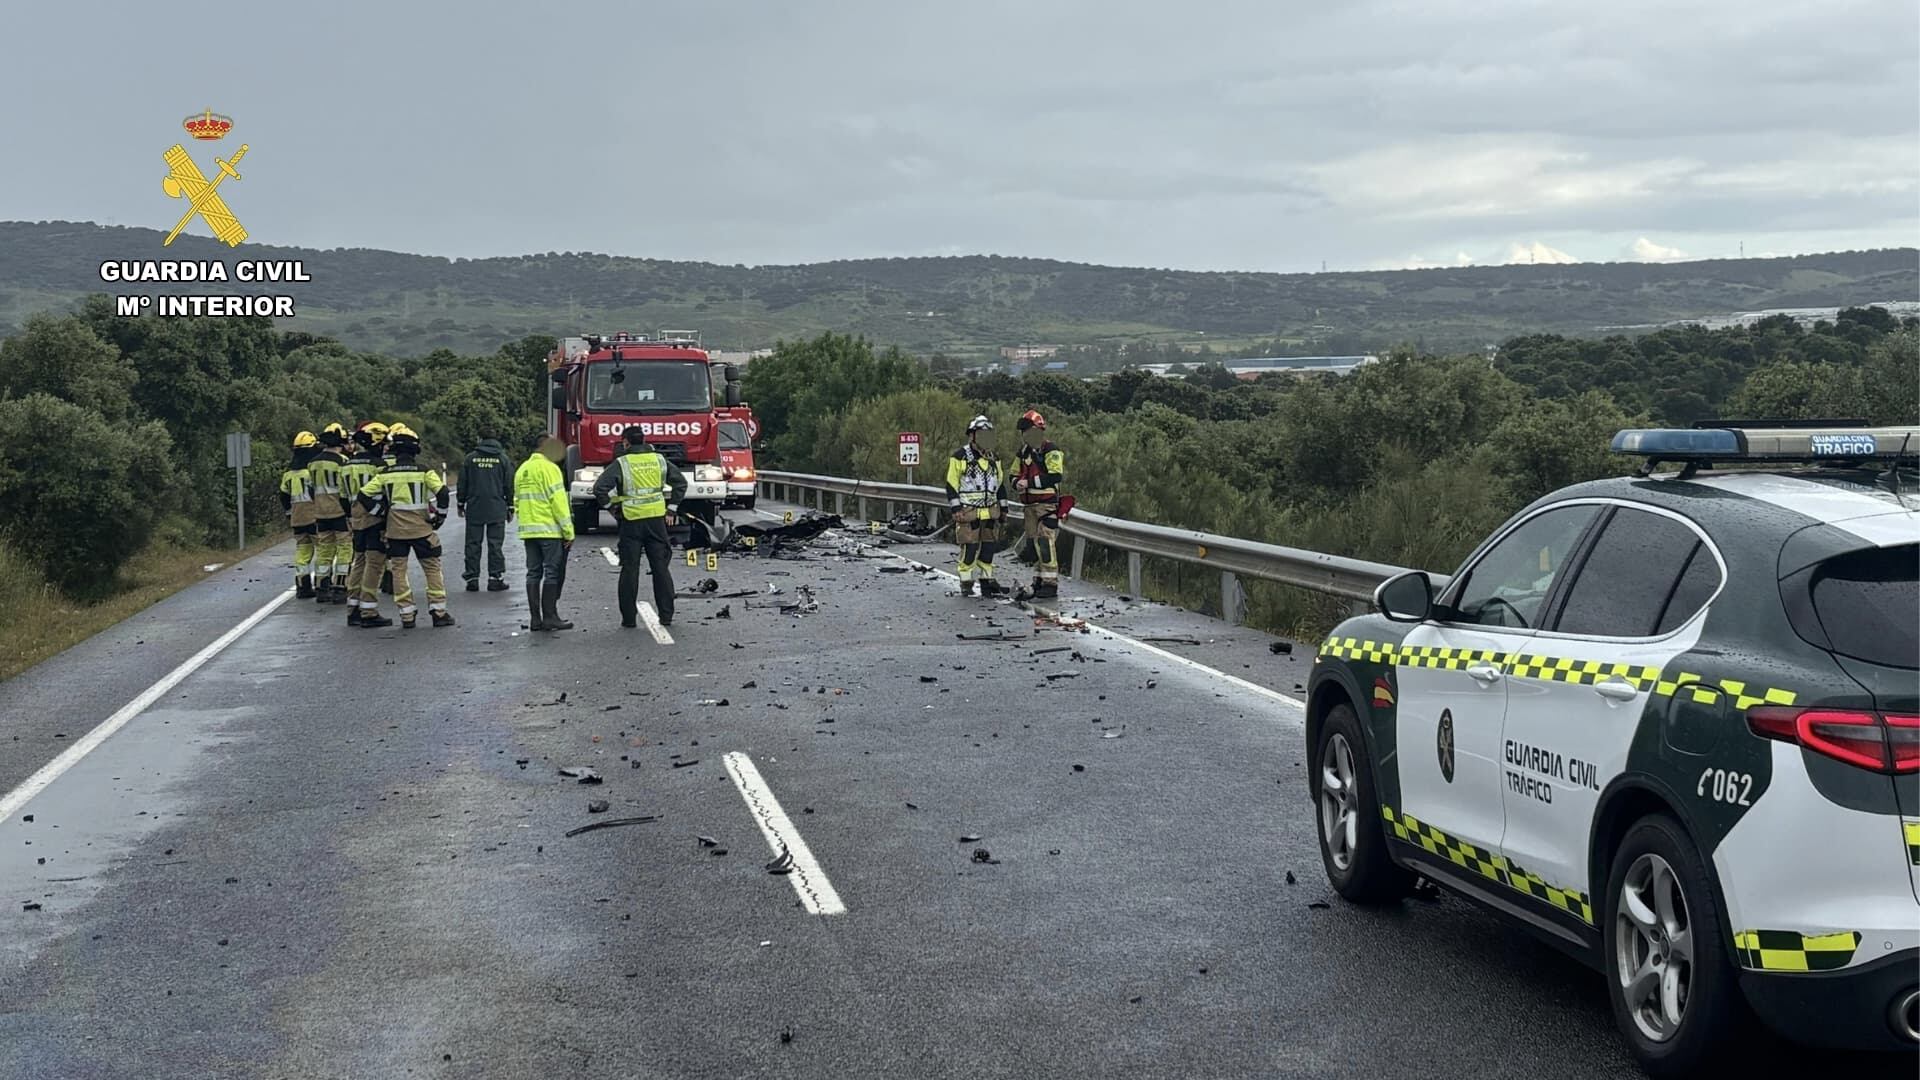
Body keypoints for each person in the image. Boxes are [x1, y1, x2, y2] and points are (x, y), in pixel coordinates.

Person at [357, 423, 454, 628]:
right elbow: (443, 493)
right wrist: (441, 518)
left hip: (395, 532)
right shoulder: (424, 471)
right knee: (432, 568)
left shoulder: (385, 473)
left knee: (399, 571)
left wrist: (380, 512)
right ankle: (438, 612)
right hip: (422, 530)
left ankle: (406, 615)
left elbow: (363, 494)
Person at [592, 426, 688, 630]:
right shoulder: (659, 460)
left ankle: (628, 619)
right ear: (643, 440)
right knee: (660, 568)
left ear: (626, 442)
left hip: (631, 521)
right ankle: (666, 616)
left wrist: (611, 508)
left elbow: (599, 488)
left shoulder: (621, 463)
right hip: (656, 521)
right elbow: (680, 482)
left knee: (630, 570)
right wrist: (671, 509)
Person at [514, 433, 574, 631]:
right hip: (549, 530)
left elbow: (517, 502)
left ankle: (535, 620)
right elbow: (559, 503)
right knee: (551, 572)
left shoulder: (522, 469)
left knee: (533, 573)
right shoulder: (551, 469)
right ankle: (550, 617)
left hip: (529, 531)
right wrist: (568, 532)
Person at [944, 415, 1009, 597]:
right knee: (970, 548)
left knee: (989, 548)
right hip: (968, 511)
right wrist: (956, 509)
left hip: (990, 511)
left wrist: (1004, 509)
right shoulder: (960, 457)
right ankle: (966, 581)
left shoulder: (994, 458)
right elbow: (951, 484)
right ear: (972, 436)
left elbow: (1000, 485)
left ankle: (987, 581)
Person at [1013, 409, 1066, 600]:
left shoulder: (1051, 450)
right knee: (1035, 545)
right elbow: (1013, 473)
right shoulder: (1023, 452)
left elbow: (1055, 475)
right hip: (1029, 507)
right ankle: (1039, 580)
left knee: (1045, 543)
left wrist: (1029, 483)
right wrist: (1016, 483)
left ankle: (1050, 584)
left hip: (1047, 505)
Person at [343, 421, 391, 627]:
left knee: (359, 562)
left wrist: (351, 517)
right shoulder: (379, 466)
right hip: (375, 519)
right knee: (375, 563)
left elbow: (343, 497)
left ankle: (353, 608)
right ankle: (368, 610)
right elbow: (386, 495)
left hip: (355, 518)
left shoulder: (345, 466)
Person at [457, 431, 514, 592]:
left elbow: (463, 482)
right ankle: (495, 579)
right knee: (495, 544)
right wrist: (510, 506)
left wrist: (461, 503)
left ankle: (472, 578)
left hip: (475, 507)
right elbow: (508, 484)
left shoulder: (470, 458)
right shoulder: (503, 459)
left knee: (473, 544)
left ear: (480, 439)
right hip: (496, 507)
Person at [308, 423, 352, 605]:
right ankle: (340, 587)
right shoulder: (342, 462)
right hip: (339, 511)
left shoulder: (312, 463)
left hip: (320, 512)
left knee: (324, 549)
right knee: (344, 548)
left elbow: (311, 488)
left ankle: (321, 587)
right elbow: (345, 490)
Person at [281, 431, 320, 598]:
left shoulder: (288, 475)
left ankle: (302, 586)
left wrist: (289, 514)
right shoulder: (311, 471)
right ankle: (322, 584)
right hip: (314, 516)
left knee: (302, 551)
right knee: (323, 550)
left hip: (297, 519)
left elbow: (283, 496)